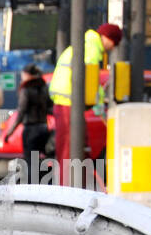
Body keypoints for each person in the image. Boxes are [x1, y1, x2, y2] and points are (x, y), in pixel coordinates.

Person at [48, 22, 121, 178]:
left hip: (65, 100)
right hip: (69, 101)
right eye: (114, 44)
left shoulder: (84, 44)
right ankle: (67, 188)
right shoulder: (92, 48)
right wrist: (99, 104)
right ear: (107, 38)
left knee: (75, 146)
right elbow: (91, 79)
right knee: (70, 148)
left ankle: (75, 184)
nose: (113, 49)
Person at [2, 65, 52, 183]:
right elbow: (50, 106)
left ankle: (30, 186)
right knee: (41, 159)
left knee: (30, 161)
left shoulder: (26, 89)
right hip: (43, 128)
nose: (22, 78)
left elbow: (21, 112)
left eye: (23, 75)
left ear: (28, 75)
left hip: (31, 130)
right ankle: (43, 183)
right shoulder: (43, 86)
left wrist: (10, 132)